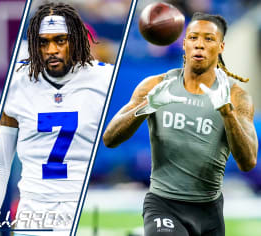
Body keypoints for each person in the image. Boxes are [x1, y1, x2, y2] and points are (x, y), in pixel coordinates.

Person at [103, 12, 258, 236]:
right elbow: (109, 138)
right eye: (193, 37)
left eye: (209, 39)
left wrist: (227, 113)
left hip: (209, 210)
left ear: (221, 47)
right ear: (184, 43)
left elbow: (248, 161)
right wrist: (147, 106)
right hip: (163, 204)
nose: (199, 45)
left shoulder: (236, 97)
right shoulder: (156, 85)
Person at [0, 3, 113, 236]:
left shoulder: (105, 78)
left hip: (82, 208)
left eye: (60, 40)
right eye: (43, 42)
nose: (51, 49)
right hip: (33, 212)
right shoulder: (18, 82)